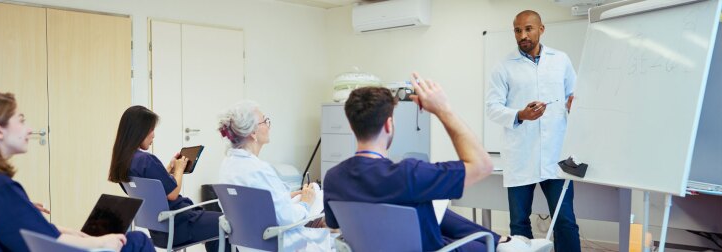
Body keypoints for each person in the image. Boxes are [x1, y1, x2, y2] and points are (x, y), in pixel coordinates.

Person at [323, 75, 553, 252]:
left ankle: (506, 241)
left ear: (352, 126)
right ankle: (507, 243)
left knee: (434, 210)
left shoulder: (333, 178)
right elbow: (482, 165)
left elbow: (334, 225)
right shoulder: (410, 173)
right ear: (389, 125)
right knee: (479, 241)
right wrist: (443, 110)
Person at [0, 91, 154, 252]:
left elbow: (18, 228)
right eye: (21, 121)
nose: (29, 129)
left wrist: (66, 231)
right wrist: (100, 241)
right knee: (137, 241)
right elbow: (49, 243)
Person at [485, 10, 581, 252]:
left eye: (528, 29)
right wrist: (520, 114)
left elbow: (576, 97)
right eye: (518, 30)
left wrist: (574, 106)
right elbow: (492, 108)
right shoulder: (503, 67)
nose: (523, 35)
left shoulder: (561, 60)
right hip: (521, 156)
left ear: (541, 29)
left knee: (565, 221)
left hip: (556, 156)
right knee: (519, 223)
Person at [108, 105, 226, 252]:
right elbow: (173, 193)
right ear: (139, 131)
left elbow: (154, 190)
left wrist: (168, 170)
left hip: (159, 232)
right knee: (226, 222)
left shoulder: (124, 162)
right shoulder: (146, 160)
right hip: (180, 224)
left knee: (214, 226)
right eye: (151, 130)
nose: (153, 135)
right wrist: (179, 170)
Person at [217, 101, 330, 252]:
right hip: (276, 243)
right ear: (253, 133)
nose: (268, 126)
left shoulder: (228, 164)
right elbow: (287, 218)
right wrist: (305, 202)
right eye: (265, 121)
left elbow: (249, 203)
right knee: (322, 204)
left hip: (247, 245)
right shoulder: (260, 169)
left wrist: (288, 196)